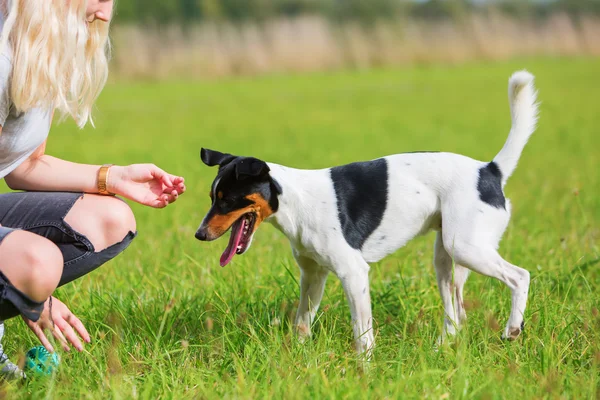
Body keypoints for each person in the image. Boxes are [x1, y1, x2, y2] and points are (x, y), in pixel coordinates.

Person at [0, 0, 185, 378]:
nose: (104, 12)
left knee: (110, 218)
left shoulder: (38, 47)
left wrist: (113, 178)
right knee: (36, 263)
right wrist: (35, 293)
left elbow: (25, 166)